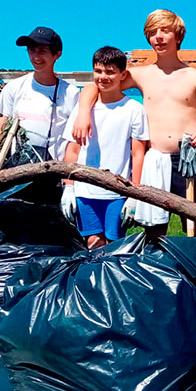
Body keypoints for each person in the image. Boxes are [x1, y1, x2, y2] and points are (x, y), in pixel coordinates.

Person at [70, 9, 196, 237]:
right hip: (155, 158)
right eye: (153, 32)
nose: (158, 37)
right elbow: (97, 85)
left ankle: (194, 268)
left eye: (165, 31)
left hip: (187, 158)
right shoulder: (141, 74)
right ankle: (156, 268)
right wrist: (83, 112)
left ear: (178, 36)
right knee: (153, 226)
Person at [60, 46, 148, 249]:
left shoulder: (133, 109)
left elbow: (138, 154)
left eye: (110, 72)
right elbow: (72, 151)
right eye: (98, 71)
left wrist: (135, 193)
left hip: (116, 193)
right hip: (85, 192)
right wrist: (68, 188)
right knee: (93, 242)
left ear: (122, 74)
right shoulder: (82, 110)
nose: (103, 77)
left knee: (113, 244)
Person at [0, 26, 79, 170]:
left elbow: (75, 140)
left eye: (42, 51)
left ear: (57, 54)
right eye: (31, 50)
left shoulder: (71, 94)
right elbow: (0, 127)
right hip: (15, 170)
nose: (36, 57)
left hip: (53, 173)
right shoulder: (14, 87)